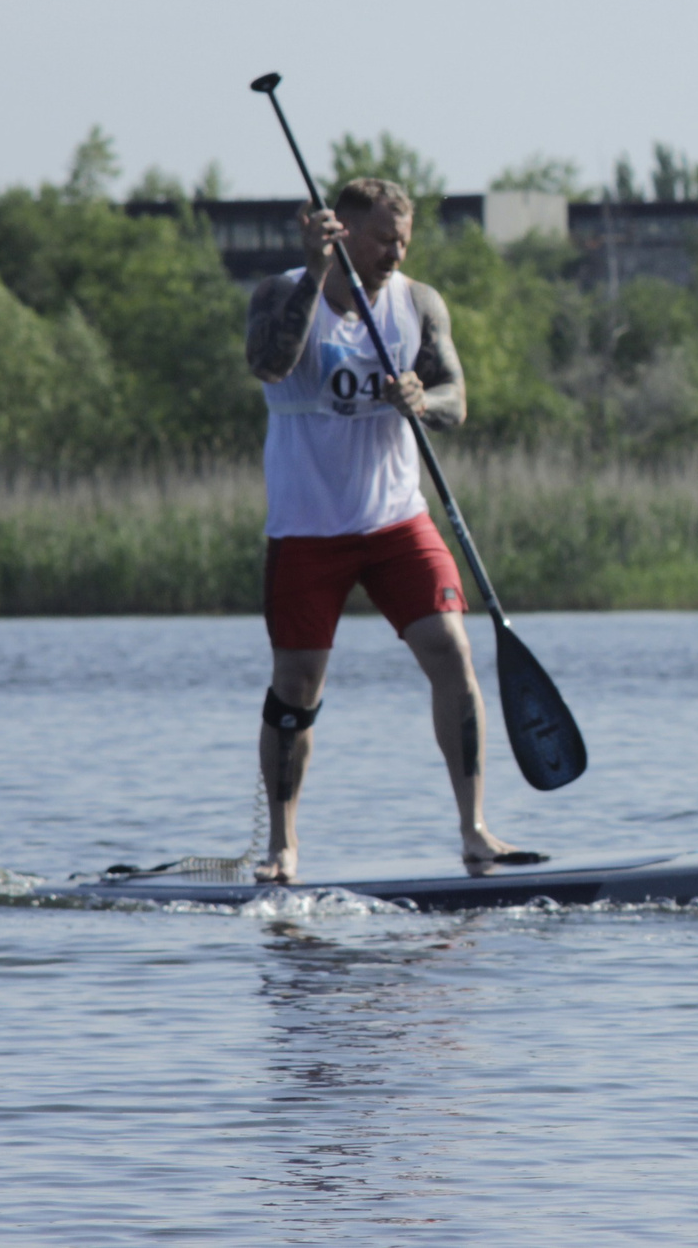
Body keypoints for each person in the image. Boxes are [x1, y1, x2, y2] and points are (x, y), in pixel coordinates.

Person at [243, 176, 538, 883]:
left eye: (404, 239)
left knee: (453, 653)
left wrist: (420, 397)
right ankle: (282, 845)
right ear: (341, 231)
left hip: (397, 519)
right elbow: (268, 363)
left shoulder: (418, 303)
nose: (396, 252)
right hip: (307, 527)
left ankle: (475, 831)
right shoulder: (279, 293)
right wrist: (315, 272)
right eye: (382, 239)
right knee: (297, 684)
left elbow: (455, 399)